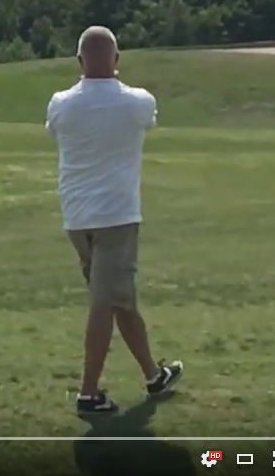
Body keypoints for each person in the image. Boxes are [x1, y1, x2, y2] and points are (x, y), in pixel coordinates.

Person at [45, 25, 183, 416]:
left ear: (78, 62)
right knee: (105, 301)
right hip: (117, 217)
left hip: (76, 218)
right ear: (117, 60)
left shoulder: (60, 103)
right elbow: (146, 120)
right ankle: (89, 393)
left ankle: (154, 374)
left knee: (120, 297)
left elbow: (55, 130)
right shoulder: (138, 102)